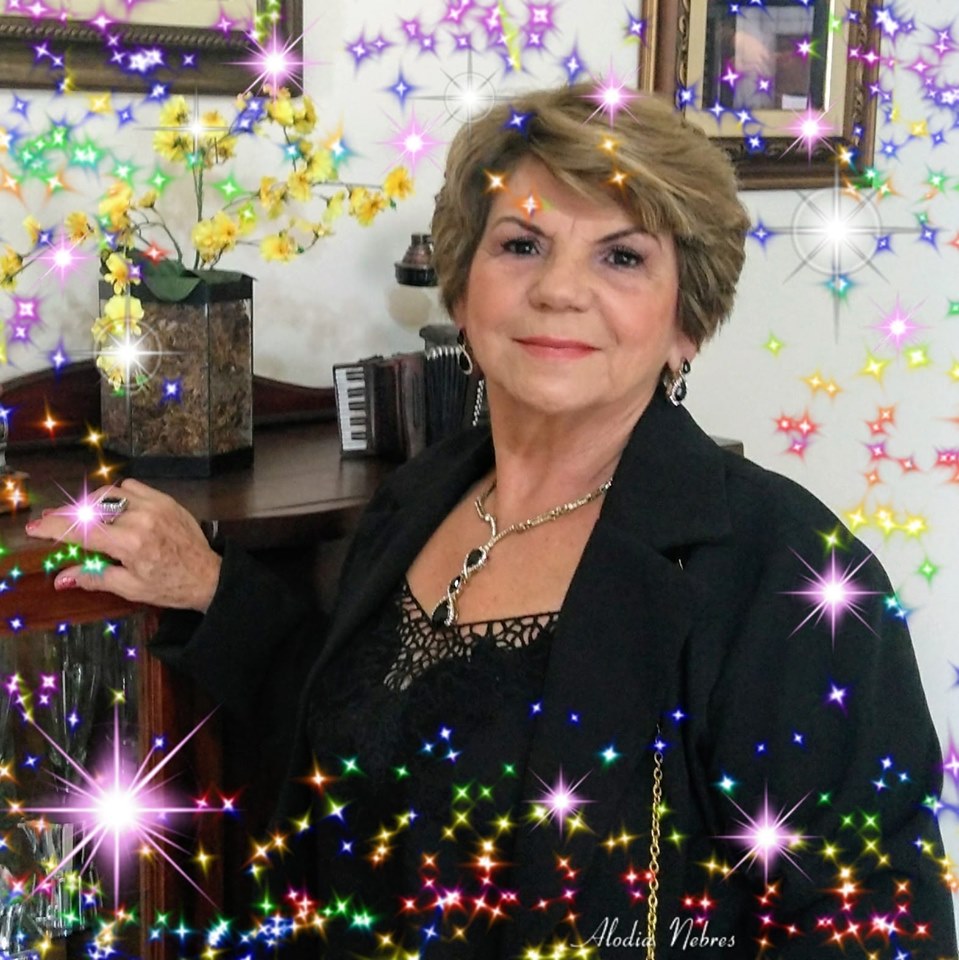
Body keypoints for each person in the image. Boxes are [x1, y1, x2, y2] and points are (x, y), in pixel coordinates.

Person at [27, 85, 956, 958]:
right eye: (520, 244)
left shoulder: (783, 570)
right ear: (462, 292)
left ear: (686, 322)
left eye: (621, 256)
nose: (558, 290)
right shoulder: (418, 497)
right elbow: (360, 730)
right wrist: (209, 586)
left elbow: (870, 924)